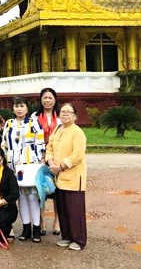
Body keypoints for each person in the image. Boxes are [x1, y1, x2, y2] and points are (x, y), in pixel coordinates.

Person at [2, 95, 45, 242]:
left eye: (22, 106)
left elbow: (40, 144)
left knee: (32, 196)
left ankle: (37, 229)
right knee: (21, 197)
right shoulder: (9, 124)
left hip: (30, 166)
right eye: (16, 106)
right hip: (14, 166)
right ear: (12, 109)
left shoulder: (34, 123)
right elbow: (4, 145)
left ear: (27, 108)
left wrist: (41, 163)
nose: (19, 109)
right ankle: (26, 228)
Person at [46, 102, 87, 251]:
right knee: (63, 209)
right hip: (58, 177)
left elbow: (77, 155)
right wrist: (50, 161)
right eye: (62, 111)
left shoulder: (77, 132)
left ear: (75, 116)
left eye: (68, 112)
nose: (65, 114)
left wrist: (60, 166)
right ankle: (67, 236)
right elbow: (49, 147)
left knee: (75, 210)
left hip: (73, 177)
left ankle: (79, 239)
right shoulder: (58, 129)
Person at [30, 87, 61, 236]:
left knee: (57, 190)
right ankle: (41, 220)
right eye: (45, 98)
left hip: (57, 158)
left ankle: (57, 221)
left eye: (50, 98)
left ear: (55, 100)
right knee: (40, 189)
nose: (47, 100)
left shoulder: (60, 117)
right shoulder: (34, 117)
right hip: (39, 158)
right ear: (40, 100)